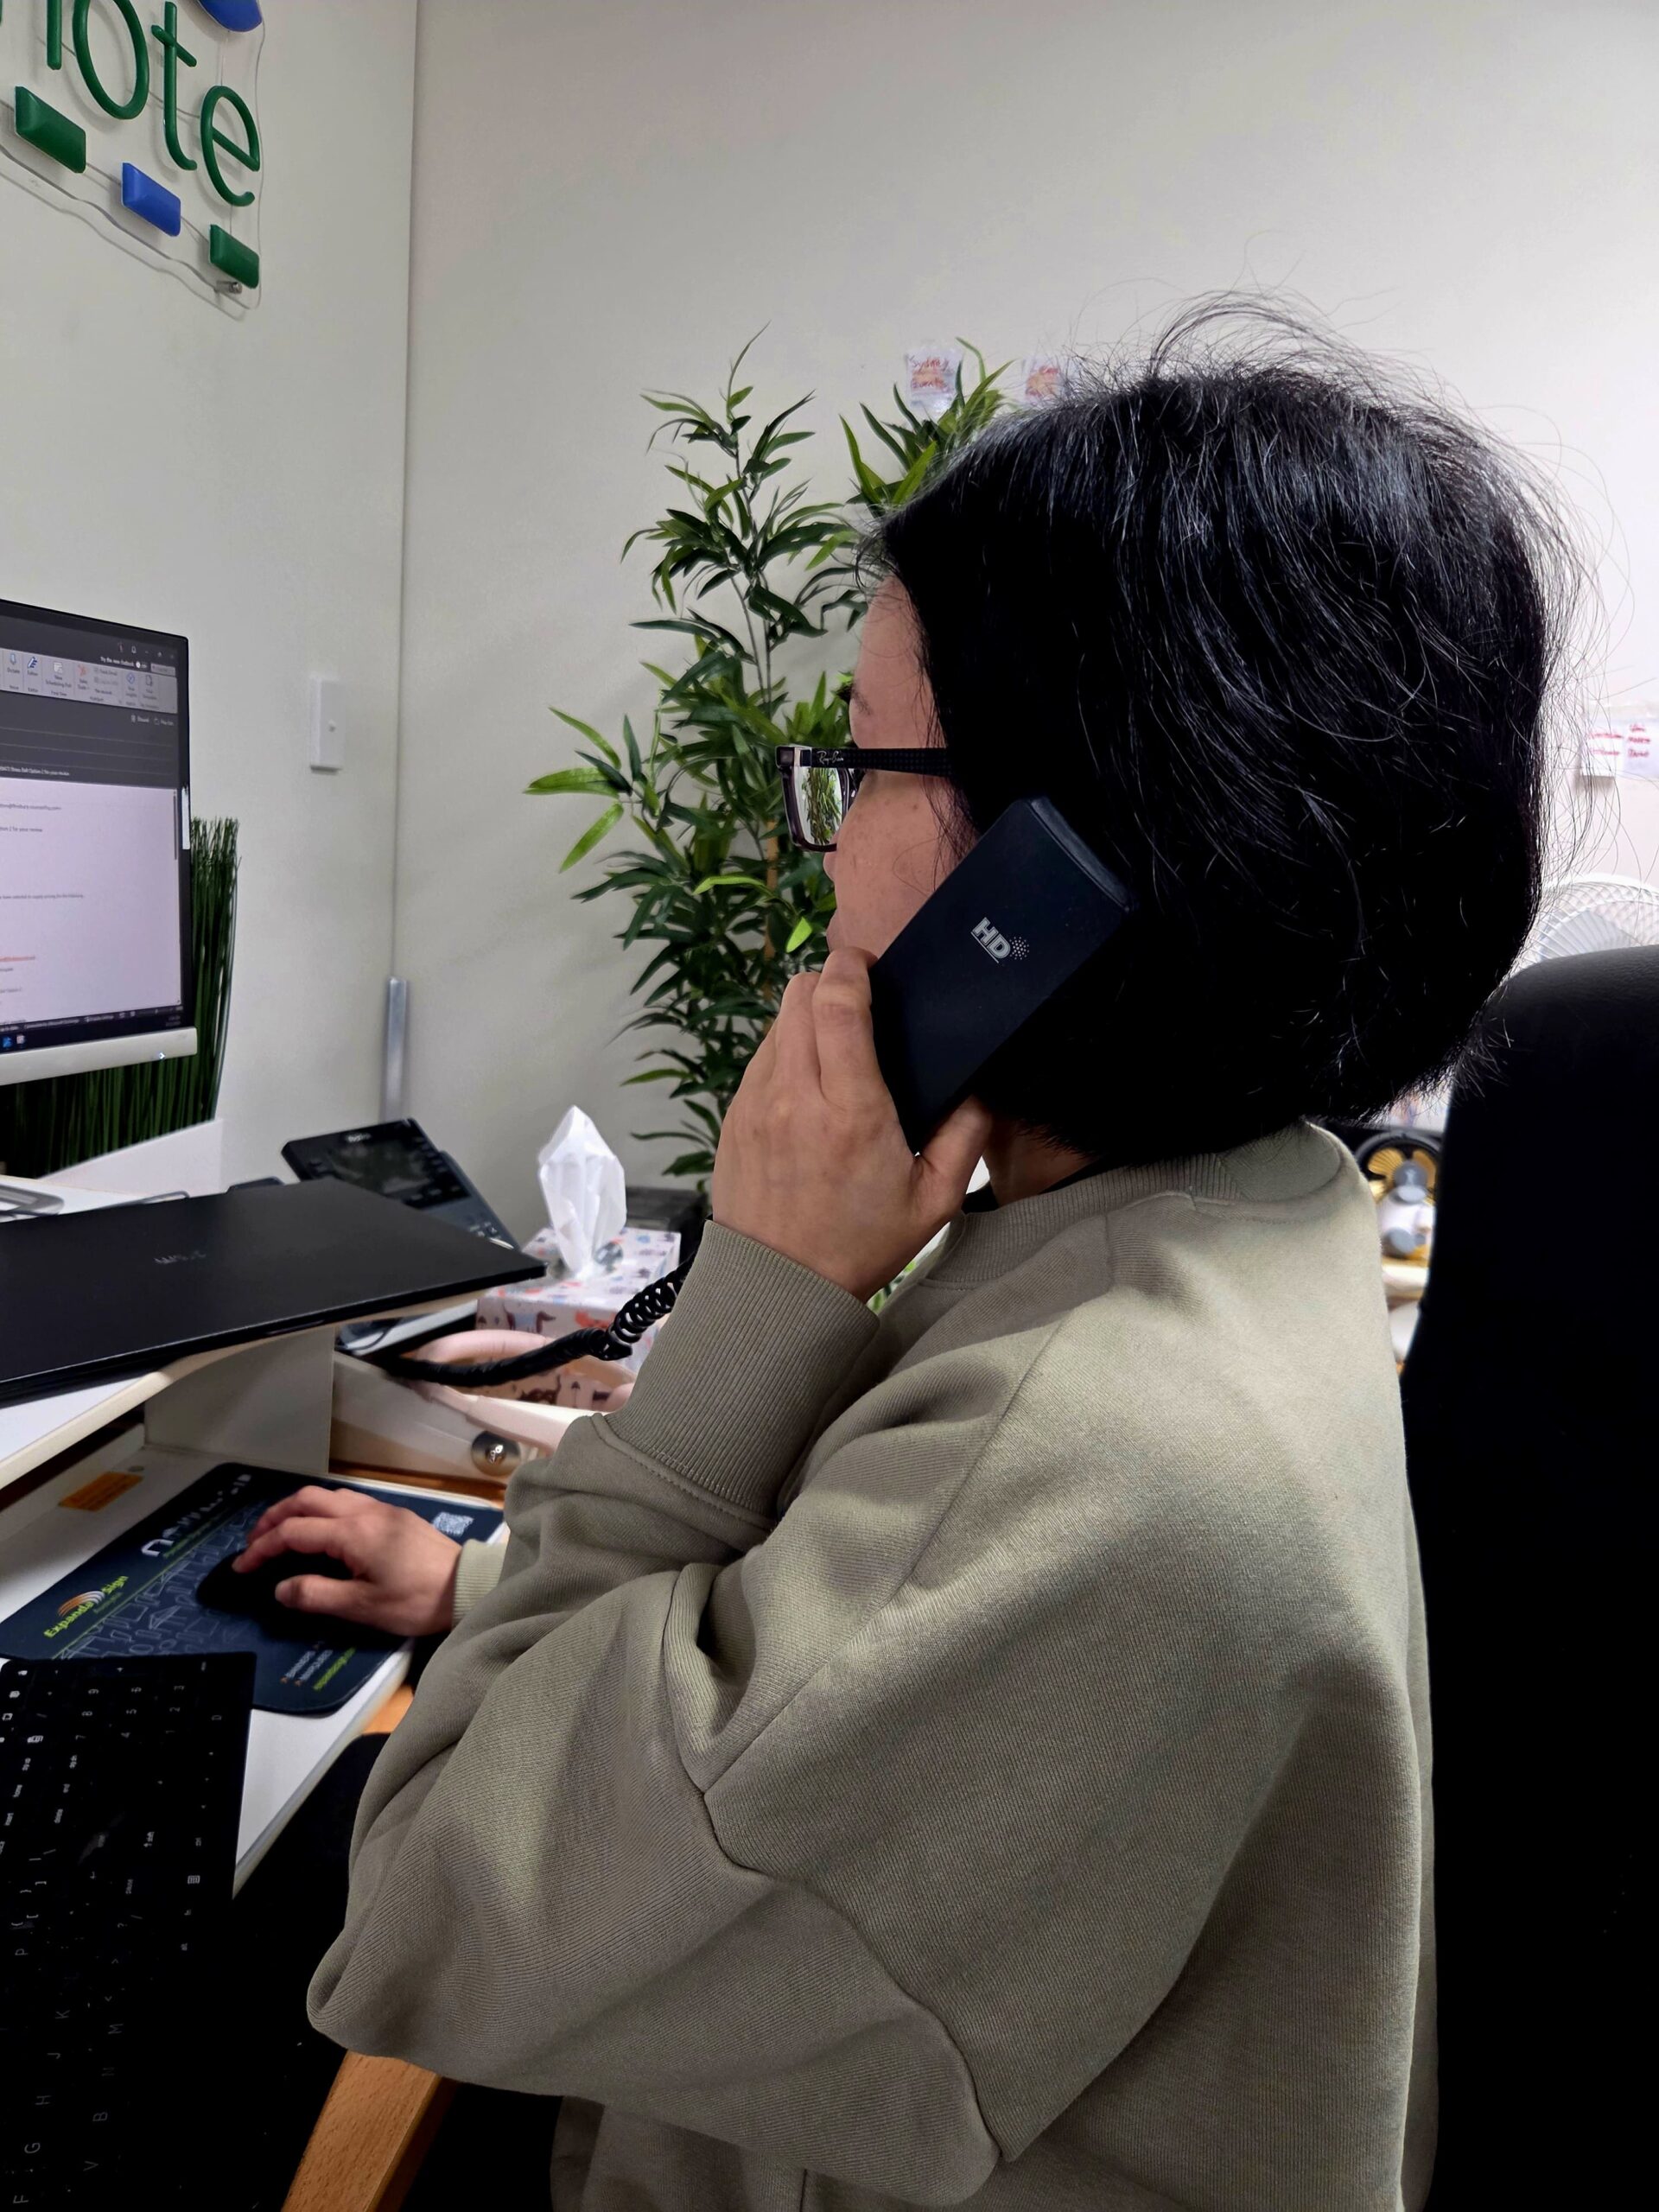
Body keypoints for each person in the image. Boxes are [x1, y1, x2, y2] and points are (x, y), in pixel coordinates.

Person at [246, 305, 1573, 2209]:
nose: (823, 850)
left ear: (1041, 888)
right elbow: (852, 1659)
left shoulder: (1097, 1455)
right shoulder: (1249, 1207)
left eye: (860, 768)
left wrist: (762, 1283)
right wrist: (484, 1592)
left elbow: (423, 1915)